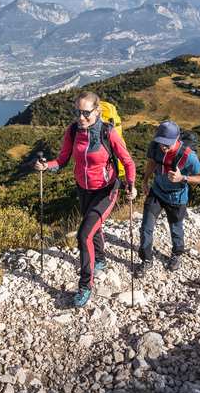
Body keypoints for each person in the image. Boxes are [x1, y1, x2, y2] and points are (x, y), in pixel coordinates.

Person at [35, 91, 137, 307]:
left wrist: (131, 185)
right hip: (83, 190)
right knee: (94, 229)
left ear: (97, 111)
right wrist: (47, 166)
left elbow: (128, 162)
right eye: (77, 112)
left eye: (86, 113)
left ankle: (85, 285)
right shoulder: (72, 131)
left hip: (106, 191)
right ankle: (100, 259)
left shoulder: (108, 133)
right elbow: (62, 160)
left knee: (83, 235)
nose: (81, 117)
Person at [136, 120, 200, 276]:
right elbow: (152, 163)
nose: (163, 147)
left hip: (176, 198)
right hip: (156, 191)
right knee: (146, 227)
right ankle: (146, 259)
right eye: (161, 143)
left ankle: (177, 255)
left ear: (177, 139)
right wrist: (145, 181)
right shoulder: (155, 146)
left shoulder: (189, 156)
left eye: (167, 144)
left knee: (176, 229)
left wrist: (183, 178)